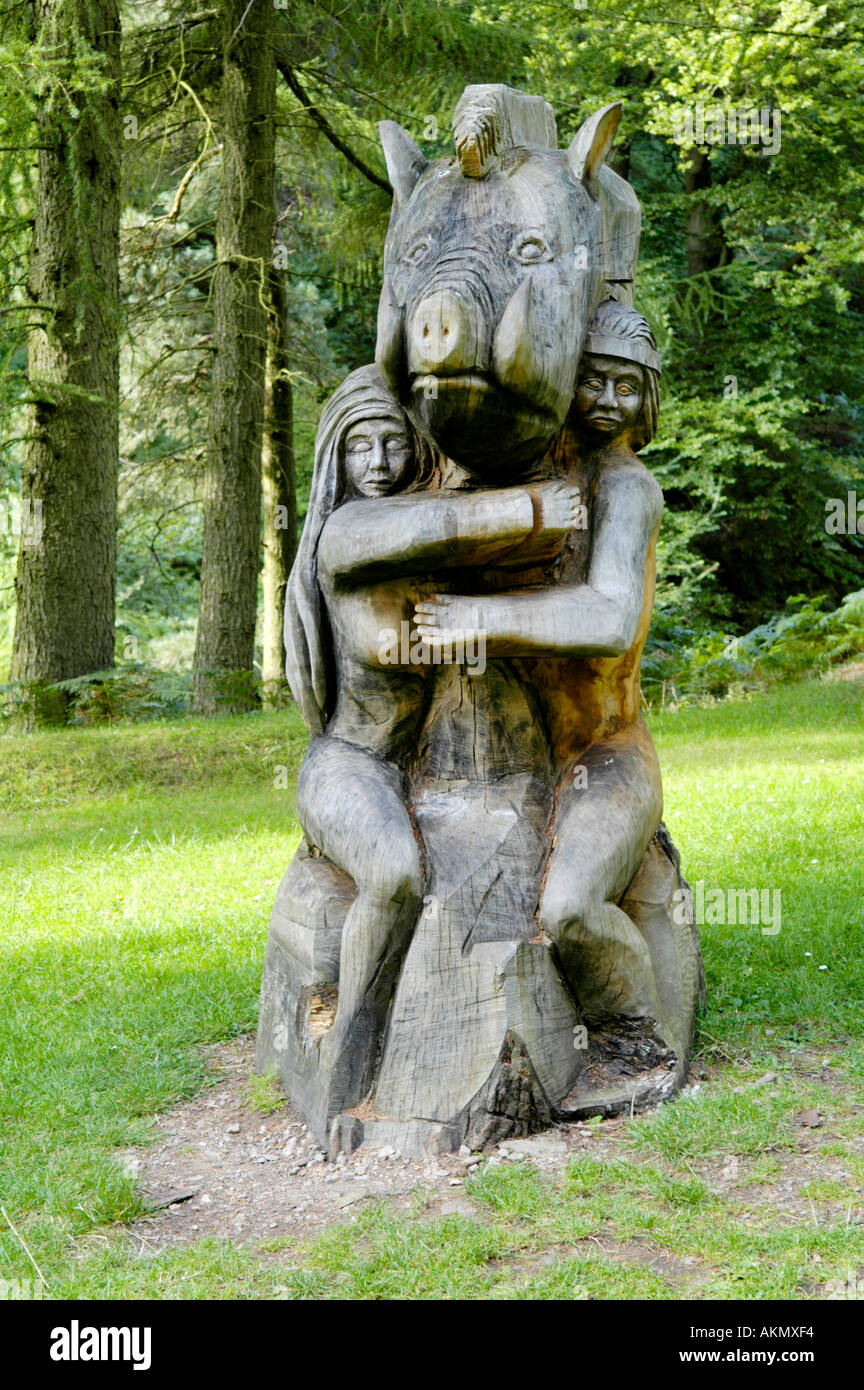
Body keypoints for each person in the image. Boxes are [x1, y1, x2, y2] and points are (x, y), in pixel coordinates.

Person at [284, 365, 582, 1109]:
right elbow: (451, 527)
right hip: (348, 766)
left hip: (419, 770)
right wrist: (540, 506)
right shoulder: (349, 535)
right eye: (362, 449)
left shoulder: (412, 534)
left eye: (394, 444)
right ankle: (351, 1055)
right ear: (336, 461)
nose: (380, 464)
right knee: (393, 876)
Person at [414, 301, 669, 1037]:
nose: (608, 402)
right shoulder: (535, 471)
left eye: (628, 386)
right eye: (593, 381)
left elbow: (609, 619)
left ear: (648, 399)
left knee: (567, 909)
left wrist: (479, 622)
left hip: (606, 755)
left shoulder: (625, 487)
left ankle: (638, 1029)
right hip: (511, 759)